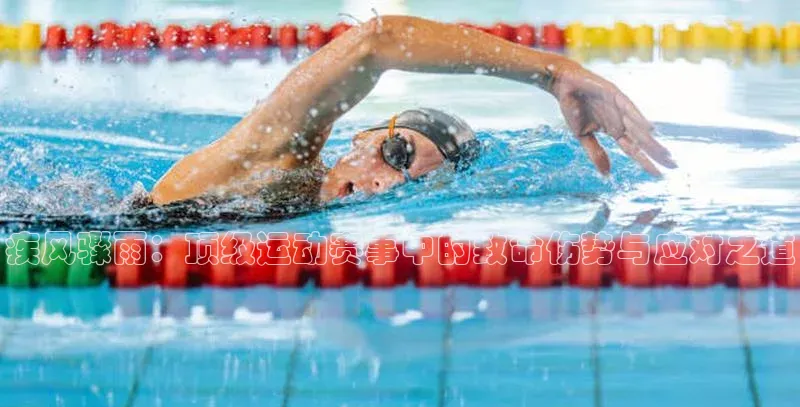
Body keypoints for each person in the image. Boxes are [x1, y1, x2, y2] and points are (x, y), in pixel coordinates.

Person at [145, 15, 676, 211]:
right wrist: (551, 73)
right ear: (361, 136)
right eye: (396, 152)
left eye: (407, 181)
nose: (382, 183)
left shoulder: (309, 212)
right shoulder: (276, 153)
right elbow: (377, 40)